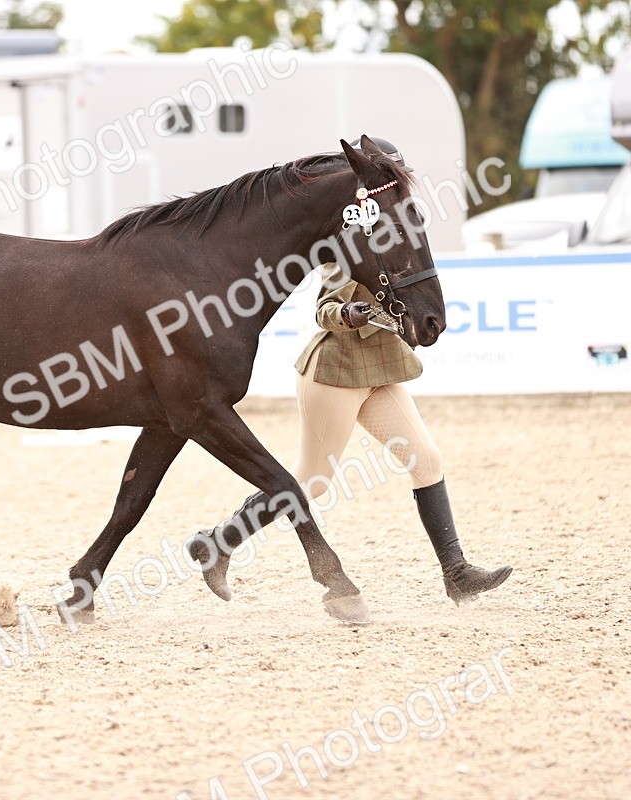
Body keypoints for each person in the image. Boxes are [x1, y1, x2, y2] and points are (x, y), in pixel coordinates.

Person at [192, 139, 512, 606]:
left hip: (381, 368)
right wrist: (348, 314)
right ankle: (221, 541)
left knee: (427, 461)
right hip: (336, 374)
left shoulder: (398, 231)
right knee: (311, 481)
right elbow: (324, 308)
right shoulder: (352, 239)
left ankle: (457, 573)